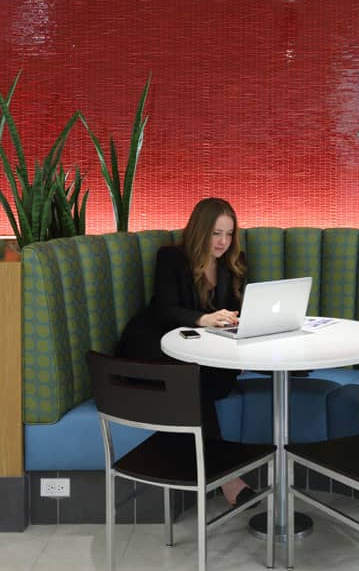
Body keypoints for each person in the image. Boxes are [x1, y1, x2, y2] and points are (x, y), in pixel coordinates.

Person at [115, 196, 253, 505]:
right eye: (216, 233)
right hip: (154, 344)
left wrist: (239, 328)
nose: (223, 241)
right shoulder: (171, 258)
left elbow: (238, 311)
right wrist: (203, 319)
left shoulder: (233, 263)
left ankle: (214, 472)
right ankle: (228, 478)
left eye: (229, 234)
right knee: (193, 383)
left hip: (196, 353)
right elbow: (165, 309)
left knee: (214, 381)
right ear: (200, 230)